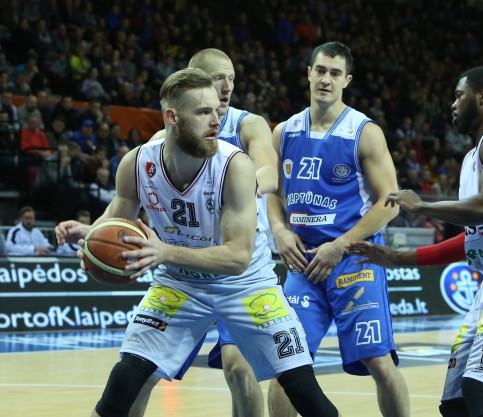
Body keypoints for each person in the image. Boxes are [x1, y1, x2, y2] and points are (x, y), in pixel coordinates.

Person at [55, 68, 339, 417]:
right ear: (172, 117)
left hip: (245, 284)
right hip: (180, 283)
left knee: (303, 389)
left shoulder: (234, 167)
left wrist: (164, 252)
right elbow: (118, 216)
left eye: (217, 111)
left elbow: (237, 257)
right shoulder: (137, 163)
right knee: (125, 381)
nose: (216, 121)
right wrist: (89, 235)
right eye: (204, 112)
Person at [347, 66, 483, 417]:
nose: (453, 104)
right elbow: (474, 240)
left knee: (479, 386)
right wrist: (398, 258)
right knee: (455, 401)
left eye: (459, 95)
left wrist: (422, 206)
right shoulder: (471, 158)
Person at [266, 41, 410, 417]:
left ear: (347, 80)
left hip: (354, 258)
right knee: (287, 365)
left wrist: (342, 244)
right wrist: (279, 231)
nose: (326, 79)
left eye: (334, 73)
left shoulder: (364, 131)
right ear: (308, 73)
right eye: (320, 70)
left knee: (378, 361)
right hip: (304, 261)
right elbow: (273, 194)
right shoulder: (284, 132)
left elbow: (390, 203)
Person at [134, 48, 277, 417]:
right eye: (217, 79)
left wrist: (236, 187)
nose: (226, 87)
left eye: (231, 78)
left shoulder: (248, 124)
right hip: (187, 269)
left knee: (238, 369)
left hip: (237, 268)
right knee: (141, 372)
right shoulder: (171, 134)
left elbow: (270, 172)